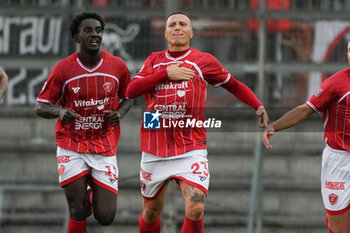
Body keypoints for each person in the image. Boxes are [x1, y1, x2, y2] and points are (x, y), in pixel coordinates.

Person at [126, 11, 269, 233]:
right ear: (165, 34)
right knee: (151, 212)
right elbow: (131, 90)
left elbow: (233, 84)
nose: (177, 27)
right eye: (172, 24)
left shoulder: (203, 61)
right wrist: (165, 74)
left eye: (183, 24)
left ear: (192, 33)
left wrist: (257, 105)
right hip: (155, 147)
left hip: (190, 147)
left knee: (195, 209)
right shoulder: (154, 60)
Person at [34, 12, 133, 233]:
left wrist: (121, 113)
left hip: (104, 146)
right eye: (88, 30)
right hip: (72, 144)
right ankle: (80, 191)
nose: (94, 34)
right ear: (76, 37)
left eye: (98, 30)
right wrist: (59, 112)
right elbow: (40, 106)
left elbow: (129, 97)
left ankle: (88, 189)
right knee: (77, 209)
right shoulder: (63, 69)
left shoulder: (117, 66)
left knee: (106, 217)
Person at [262, 41, 350, 233]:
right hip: (339, 161)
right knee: (340, 229)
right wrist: (275, 126)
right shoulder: (335, 83)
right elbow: (305, 110)